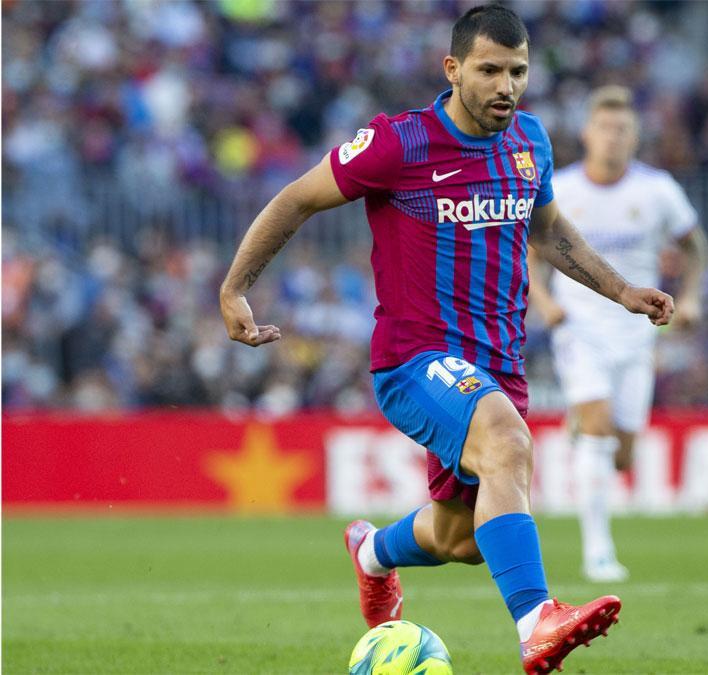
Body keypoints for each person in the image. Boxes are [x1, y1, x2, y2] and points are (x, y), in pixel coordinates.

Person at [217, 6, 675, 674]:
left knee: (460, 537)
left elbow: (546, 228)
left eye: (518, 71)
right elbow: (296, 199)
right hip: (415, 358)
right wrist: (235, 288)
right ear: (453, 69)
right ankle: (536, 621)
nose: (506, 86)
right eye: (490, 70)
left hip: (497, 360)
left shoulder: (530, 142)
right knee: (508, 441)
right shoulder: (397, 144)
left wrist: (622, 289)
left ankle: (372, 552)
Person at [527, 85, 708, 583]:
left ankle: (582, 422)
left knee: (624, 455)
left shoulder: (657, 190)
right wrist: (544, 304)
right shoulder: (560, 188)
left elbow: (695, 247)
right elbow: (533, 249)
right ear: (587, 133)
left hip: (637, 336)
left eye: (623, 129)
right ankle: (598, 553)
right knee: (599, 427)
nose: (613, 137)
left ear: (635, 137)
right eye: (605, 127)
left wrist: (690, 298)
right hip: (579, 328)